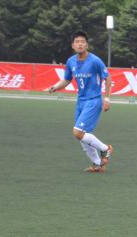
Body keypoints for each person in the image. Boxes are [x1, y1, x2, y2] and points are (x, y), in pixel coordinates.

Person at [44, 31, 114, 173]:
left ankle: (105, 149)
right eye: (77, 42)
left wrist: (107, 98)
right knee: (83, 137)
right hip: (80, 101)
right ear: (73, 45)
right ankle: (97, 164)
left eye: (83, 41)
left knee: (77, 132)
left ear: (87, 45)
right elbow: (67, 79)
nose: (80, 44)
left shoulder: (95, 61)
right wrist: (55, 87)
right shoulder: (71, 61)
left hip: (93, 100)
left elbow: (108, 78)